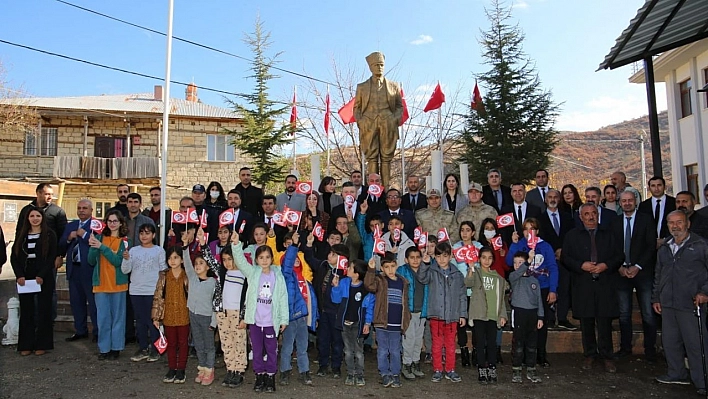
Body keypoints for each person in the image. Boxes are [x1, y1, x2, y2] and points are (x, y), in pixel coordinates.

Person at [652, 210, 708, 395]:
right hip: (668, 303)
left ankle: (702, 380)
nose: (675, 226)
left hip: (691, 303)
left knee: (695, 344)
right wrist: (656, 298)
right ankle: (676, 373)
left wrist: (704, 292)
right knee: (670, 342)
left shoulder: (700, 245)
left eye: (679, 222)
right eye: (671, 223)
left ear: (688, 224)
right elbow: (658, 274)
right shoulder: (665, 246)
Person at [562, 203, 623, 373]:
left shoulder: (609, 234)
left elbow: (619, 256)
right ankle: (589, 354)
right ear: (580, 217)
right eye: (586, 214)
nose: (590, 217)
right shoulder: (572, 236)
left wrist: (606, 265)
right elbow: (566, 257)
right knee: (586, 323)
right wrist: (581, 265)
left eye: (593, 213)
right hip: (583, 284)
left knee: (604, 323)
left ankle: (607, 356)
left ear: (598, 215)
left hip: (605, 284)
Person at [231, 230, 289, 393]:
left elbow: (283, 298)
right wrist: (236, 244)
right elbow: (241, 262)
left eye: (267, 257)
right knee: (256, 350)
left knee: (271, 350)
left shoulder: (278, 276)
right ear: (256, 260)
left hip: (271, 322)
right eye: (261, 257)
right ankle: (260, 376)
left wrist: (284, 319)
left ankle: (270, 376)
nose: (264, 260)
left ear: (272, 259)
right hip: (255, 321)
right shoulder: (253, 273)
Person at [506, 218, 558, 368]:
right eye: (526, 229)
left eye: (532, 228)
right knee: (523, 325)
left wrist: (553, 289)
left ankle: (540, 355)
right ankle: (522, 356)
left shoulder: (545, 246)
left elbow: (553, 268)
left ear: (537, 231)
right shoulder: (520, 244)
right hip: (523, 290)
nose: (529, 232)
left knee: (541, 323)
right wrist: (514, 244)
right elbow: (509, 262)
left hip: (542, 287)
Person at [612, 191, 657, 362]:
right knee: (624, 313)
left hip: (643, 272)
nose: (627, 203)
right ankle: (625, 348)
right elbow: (612, 247)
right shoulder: (615, 222)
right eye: (624, 201)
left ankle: (650, 350)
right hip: (622, 272)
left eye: (630, 200)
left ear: (636, 202)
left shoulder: (646, 220)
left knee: (647, 313)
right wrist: (620, 267)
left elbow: (650, 246)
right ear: (620, 203)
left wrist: (637, 266)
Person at [417, 241, 467, 383]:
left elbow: (462, 295)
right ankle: (437, 369)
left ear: (451, 256)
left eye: (445, 256)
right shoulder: (431, 271)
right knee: (437, 344)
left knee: (451, 344)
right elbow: (422, 278)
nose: (442, 259)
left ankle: (450, 369)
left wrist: (462, 314)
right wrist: (425, 263)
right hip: (436, 315)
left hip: (452, 316)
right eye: (438, 256)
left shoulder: (457, 275)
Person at [11, 206, 57, 356]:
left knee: (44, 310)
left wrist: (42, 275)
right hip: (25, 276)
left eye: (38, 215)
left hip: (43, 276)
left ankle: (42, 344)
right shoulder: (21, 234)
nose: (35, 218)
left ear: (42, 218)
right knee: (26, 310)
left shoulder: (49, 234)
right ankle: (26, 344)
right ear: (27, 218)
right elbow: (14, 257)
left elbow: (51, 257)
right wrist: (19, 275)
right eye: (32, 216)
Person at [201, 242, 248, 388]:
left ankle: (239, 370)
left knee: (239, 342)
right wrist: (203, 245)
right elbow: (209, 259)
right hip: (222, 313)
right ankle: (230, 369)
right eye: (225, 259)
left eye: (230, 259)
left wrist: (244, 316)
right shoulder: (222, 272)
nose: (227, 263)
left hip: (237, 314)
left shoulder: (245, 274)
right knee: (226, 342)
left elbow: (248, 298)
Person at [354, 51, 403, 187]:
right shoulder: (362, 87)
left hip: (388, 122)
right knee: (372, 158)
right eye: (376, 65)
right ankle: (373, 189)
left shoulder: (393, 86)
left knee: (386, 158)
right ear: (370, 67)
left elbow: (400, 106)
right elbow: (356, 108)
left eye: (381, 65)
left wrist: (394, 119)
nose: (379, 67)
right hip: (368, 124)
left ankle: (387, 189)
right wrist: (361, 121)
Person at [302, 235, 349, 378]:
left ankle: (336, 366)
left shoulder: (345, 273)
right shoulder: (323, 265)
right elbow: (310, 259)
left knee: (337, 341)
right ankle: (323, 365)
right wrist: (309, 245)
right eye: (330, 253)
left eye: (334, 254)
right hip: (323, 311)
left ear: (342, 259)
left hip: (336, 312)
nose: (330, 255)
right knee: (322, 339)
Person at [121, 223, 166, 363]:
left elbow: (163, 269)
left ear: (153, 235)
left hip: (152, 290)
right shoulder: (133, 251)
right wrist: (126, 258)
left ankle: (155, 348)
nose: (144, 236)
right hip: (136, 290)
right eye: (141, 233)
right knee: (140, 320)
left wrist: (161, 290)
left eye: (147, 233)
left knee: (153, 320)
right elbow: (125, 270)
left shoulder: (159, 251)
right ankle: (142, 347)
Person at [365, 252, 411, 389]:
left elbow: (406, 302)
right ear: (382, 268)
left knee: (396, 350)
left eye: (392, 266)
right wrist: (371, 270)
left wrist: (407, 317)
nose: (390, 270)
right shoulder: (379, 280)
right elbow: (369, 285)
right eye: (387, 267)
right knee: (383, 350)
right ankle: (385, 373)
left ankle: (395, 373)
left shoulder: (403, 282)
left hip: (397, 324)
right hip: (382, 323)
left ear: (396, 265)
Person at [88, 210, 129, 360]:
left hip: (118, 285)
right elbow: (91, 261)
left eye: (115, 221)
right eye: (110, 221)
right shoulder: (99, 237)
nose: (112, 224)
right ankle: (104, 348)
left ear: (120, 223)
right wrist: (93, 247)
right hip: (101, 285)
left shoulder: (124, 241)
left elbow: (118, 261)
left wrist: (102, 247)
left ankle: (116, 348)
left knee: (118, 318)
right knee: (103, 318)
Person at [278, 232, 317, 386]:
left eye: (296, 258)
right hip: (291, 316)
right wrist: (293, 246)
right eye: (291, 258)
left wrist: (315, 318)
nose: (294, 260)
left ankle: (304, 371)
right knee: (287, 346)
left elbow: (312, 301)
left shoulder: (306, 279)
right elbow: (287, 263)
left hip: (303, 317)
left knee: (303, 346)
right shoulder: (287, 276)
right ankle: (284, 371)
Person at [466, 247, 508, 384]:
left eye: (490, 258)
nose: (486, 260)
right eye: (483, 257)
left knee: (492, 344)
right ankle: (481, 369)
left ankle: (492, 367)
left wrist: (502, 315)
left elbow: (501, 298)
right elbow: (467, 283)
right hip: (479, 315)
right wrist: (471, 269)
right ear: (479, 258)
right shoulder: (476, 273)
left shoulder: (498, 278)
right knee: (479, 344)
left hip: (492, 315)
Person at [331, 258, 375, 387]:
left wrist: (367, 323)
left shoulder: (366, 289)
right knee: (348, 351)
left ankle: (360, 374)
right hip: (345, 323)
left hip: (358, 324)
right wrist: (336, 287)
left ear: (357, 274)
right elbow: (336, 300)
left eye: (350, 268)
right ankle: (350, 373)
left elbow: (369, 308)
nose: (347, 269)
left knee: (359, 351)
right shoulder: (344, 282)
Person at [182, 229, 218, 386]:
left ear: (208, 267)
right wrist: (185, 246)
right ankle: (202, 367)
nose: (197, 266)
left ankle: (210, 369)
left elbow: (217, 303)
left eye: (201, 263)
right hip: (194, 315)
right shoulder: (192, 278)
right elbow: (187, 264)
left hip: (207, 318)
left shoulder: (213, 283)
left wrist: (214, 322)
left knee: (209, 345)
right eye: (196, 263)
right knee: (198, 343)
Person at [59, 200, 98, 342]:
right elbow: (61, 244)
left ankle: (97, 331)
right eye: (79, 208)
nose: (82, 210)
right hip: (74, 269)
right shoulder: (71, 225)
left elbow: (100, 242)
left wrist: (85, 235)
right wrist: (69, 238)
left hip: (90, 269)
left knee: (93, 303)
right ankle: (80, 330)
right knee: (76, 302)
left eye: (85, 208)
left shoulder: (96, 225)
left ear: (91, 210)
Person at [537, 189, 576, 331]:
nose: (552, 199)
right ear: (545, 200)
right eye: (550, 197)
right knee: (548, 288)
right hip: (546, 259)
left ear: (559, 200)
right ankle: (550, 318)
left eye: (555, 197)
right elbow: (539, 238)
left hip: (565, 259)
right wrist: (551, 252)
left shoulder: (567, 218)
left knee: (564, 288)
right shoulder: (539, 219)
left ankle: (563, 318)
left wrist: (562, 251)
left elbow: (572, 237)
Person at [152, 246, 190, 384]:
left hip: (184, 315)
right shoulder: (163, 276)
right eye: (170, 258)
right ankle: (172, 368)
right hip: (168, 316)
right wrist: (156, 317)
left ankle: (181, 369)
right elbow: (158, 297)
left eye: (176, 257)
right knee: (171, 343)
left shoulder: (187, 276)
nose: (172, 261)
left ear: (181, 259)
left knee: (183, 343)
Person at [508, 251, 544, 384]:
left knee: (531, 345)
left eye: (520, 263)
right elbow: (517, 273)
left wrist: (540, 317)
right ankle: (516, 369)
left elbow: (539, 299)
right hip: (519, 313)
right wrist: (528, 261)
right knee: (518, 344)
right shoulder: (514, 278)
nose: (517, 265)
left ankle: (531, 369)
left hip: (532, 315)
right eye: (515, 263)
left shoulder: (534, 281)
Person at [452, 221, 483, 367]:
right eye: (462, 230)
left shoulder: (479, 247)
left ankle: (476, 350)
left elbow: (484, 265)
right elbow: (452, 267)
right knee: (461, 322)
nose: (465, 233)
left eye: (468, 230)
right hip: (460, 290)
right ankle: (464, 350)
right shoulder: (456, 248)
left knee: (477, 322)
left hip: (476, 290)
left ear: (473, 232)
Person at [638, 176, 676, 242]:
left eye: (659, 185)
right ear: (649, 188)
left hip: (671, 241)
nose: (656, 188)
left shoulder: (673, 202)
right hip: (650, 243)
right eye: (653, 186)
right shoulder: (643, 205)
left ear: (664, 187)